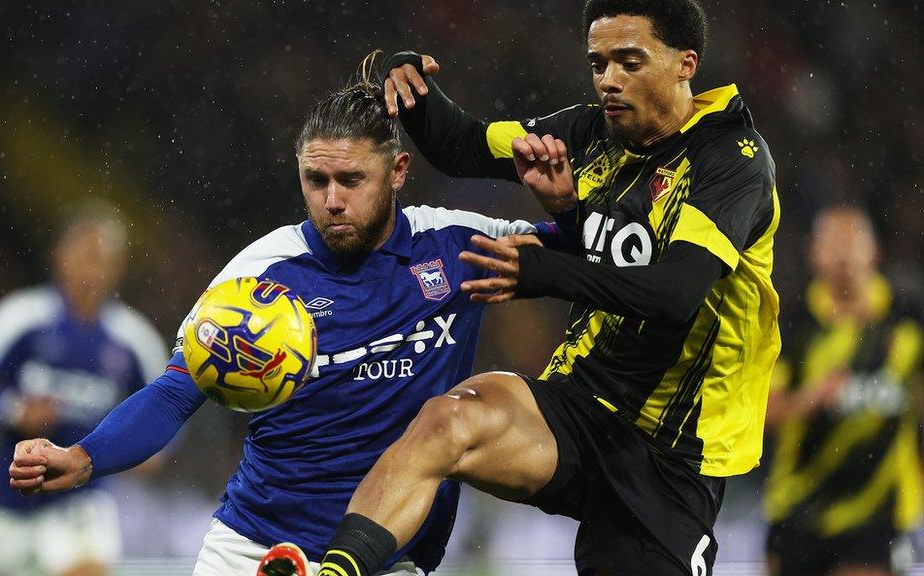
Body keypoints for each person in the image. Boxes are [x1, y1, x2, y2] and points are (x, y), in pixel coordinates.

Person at [7, 56, 560, 576]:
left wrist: (567, 206)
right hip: (255, 546)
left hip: (386, 557)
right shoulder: (258, 275)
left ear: (397, 171)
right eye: (316, 181)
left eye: (351, 181)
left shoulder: (457, 245)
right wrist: (83, 459)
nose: (332, 201)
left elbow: (592, 253)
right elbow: (176, 392)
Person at [303, 1, 781, 575]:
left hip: (674, 452)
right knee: (447, 420)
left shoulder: (731, 161)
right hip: (578, 405)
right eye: (598, 63)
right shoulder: (587, 133)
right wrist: (413, 92)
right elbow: (464, 145)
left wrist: (543, 273)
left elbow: (673, 293)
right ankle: (337, 569)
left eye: (629, 62)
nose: (608, 80)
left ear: (686, 64)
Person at [0, 206, 167, 576]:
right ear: (59, 255)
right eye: (84, 253)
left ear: (118, 268)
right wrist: (13, 409)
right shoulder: (21, 316)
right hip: (9, 498)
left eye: (102, 258)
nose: (92, 268)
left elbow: (166, 409)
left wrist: (152, 448)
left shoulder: (134, 340)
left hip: (82, 499)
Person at [763, 206, 923, 576]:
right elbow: (761, 415)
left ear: (874, 250)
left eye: (852, 243)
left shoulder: (907, 318)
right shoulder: (791, 323)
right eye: (833, 244)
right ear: (813, 253)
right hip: (797, 510)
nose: (843, 255)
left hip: (878, 518)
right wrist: (811, 399)